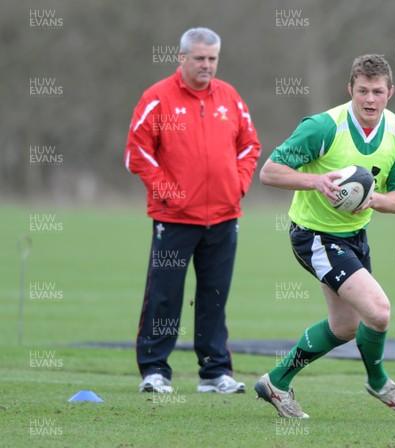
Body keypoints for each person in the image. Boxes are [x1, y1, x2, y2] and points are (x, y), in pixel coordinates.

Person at [254, 54, 395, 418]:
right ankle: (379, 382)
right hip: (313, 235)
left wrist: (371, 198)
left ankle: (276, 382)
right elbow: (269, 172)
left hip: (355, 237)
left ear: (390, 92)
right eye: (362, 90)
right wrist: (316, 180)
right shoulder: (323, 126)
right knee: (378, 312)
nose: (370, 99)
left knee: (345, 326)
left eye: (378, 91)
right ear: (350, 90)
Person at [124, 27, 261, 394]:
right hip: (174, 219)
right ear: (181, 57)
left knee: (214, 295)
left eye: (212, 58)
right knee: (165, 295)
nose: (207, 65)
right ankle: (155, 370)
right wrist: (169, 193)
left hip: (224, 216)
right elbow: (137, 154)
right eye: (199, 58)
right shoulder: (158, 98)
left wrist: (238, 185)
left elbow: (250, 146)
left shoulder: (230, 97)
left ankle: (214, 372)